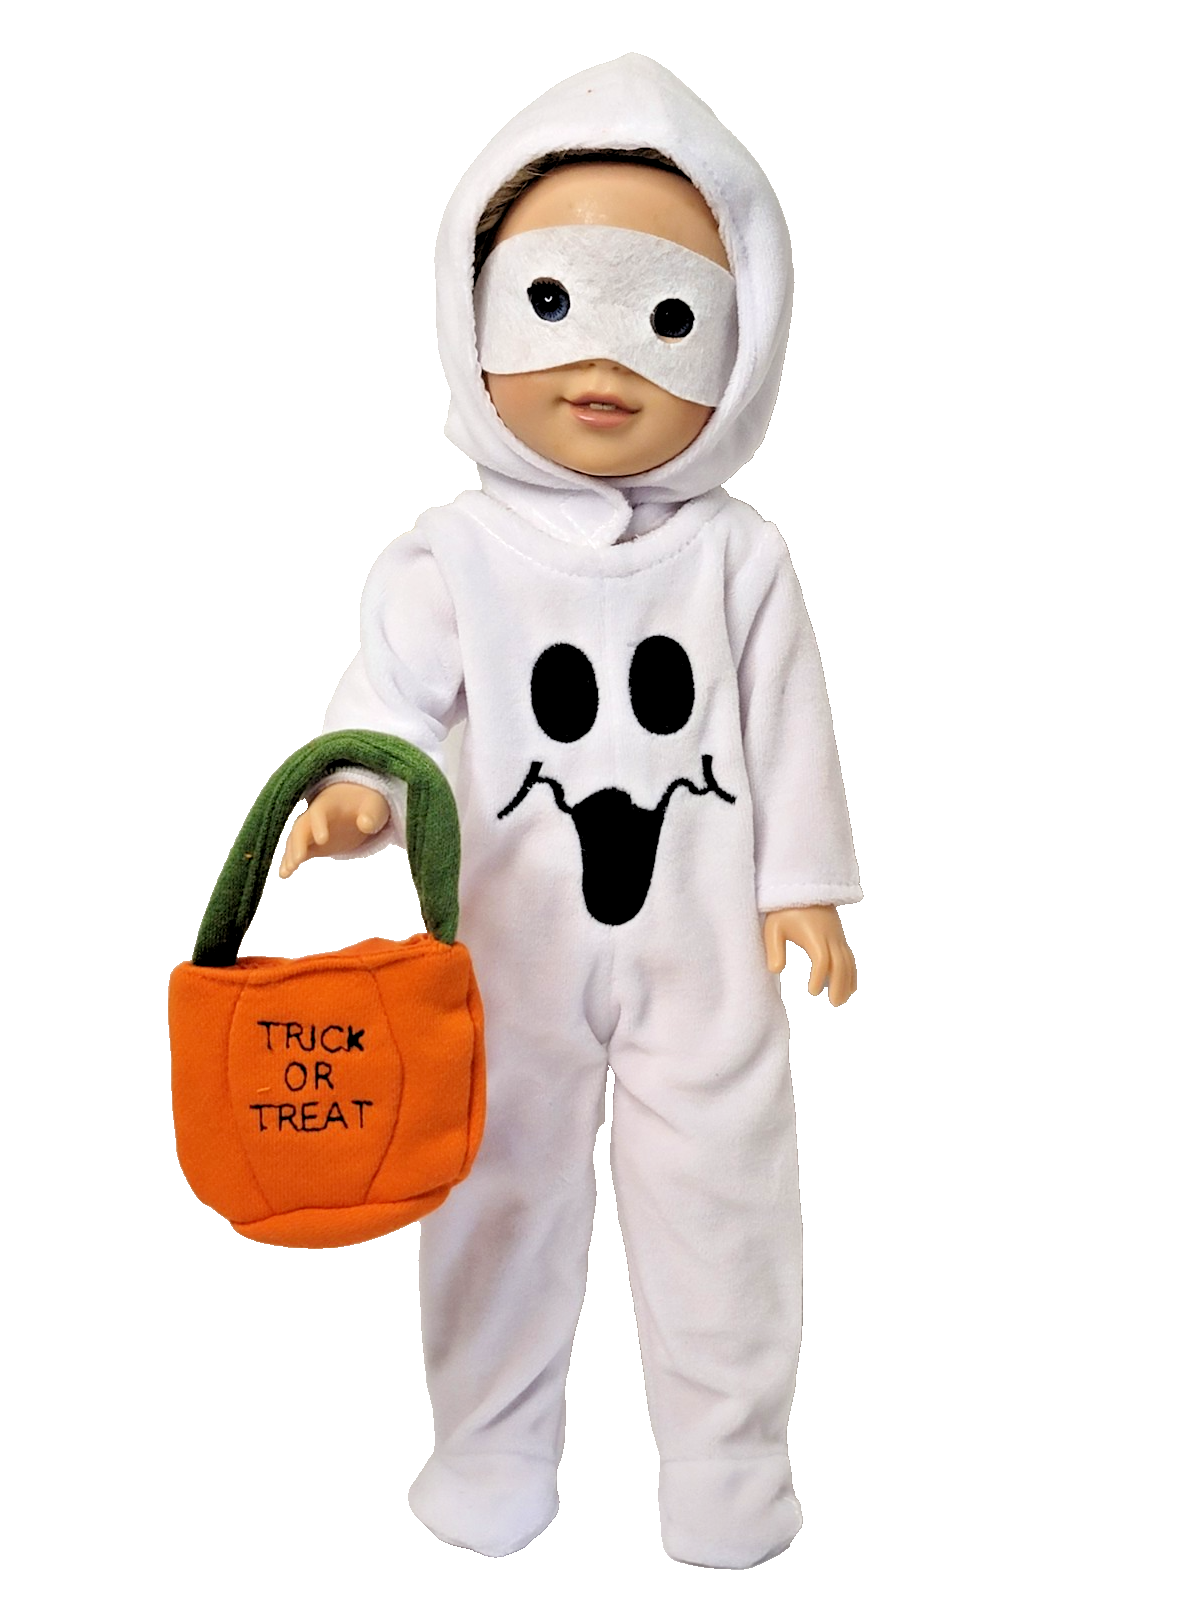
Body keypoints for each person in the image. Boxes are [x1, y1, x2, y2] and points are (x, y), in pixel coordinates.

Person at [279, 54, 862, 1569]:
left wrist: (800, 881)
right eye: (552, 304)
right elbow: (389, 701)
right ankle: (487, 1448)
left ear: (742, 347)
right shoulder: (449, 555)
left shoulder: (740, 557)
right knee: (493, 1195)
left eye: (666, 319)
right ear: (474, 315)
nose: (604, 359)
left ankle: (730, 1467)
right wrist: (354, 789)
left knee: (725, 1202)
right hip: (503, 958)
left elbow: (787, 719)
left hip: (704, 951)